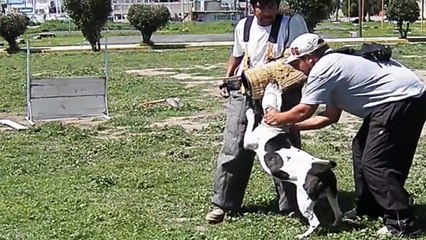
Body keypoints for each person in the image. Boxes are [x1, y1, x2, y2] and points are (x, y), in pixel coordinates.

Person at [263, 33, 426, 237]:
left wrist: (278, 118)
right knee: (361, 149)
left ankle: (402, 222)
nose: (297, 68)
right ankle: (369, 209)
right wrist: (294, 128)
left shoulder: (323, 68)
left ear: (310, 58)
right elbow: (330, 116)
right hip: (401, 100)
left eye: (297, 63)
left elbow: (304, 110)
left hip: (402, 100)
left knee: (376, 163)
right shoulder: (334, 64)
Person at [205, 0, 309, 223]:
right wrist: (227, 77)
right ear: (253, 6)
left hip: (282, 91)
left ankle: (291, 204)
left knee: (285, 146)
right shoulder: (244, 26)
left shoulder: (292, 24)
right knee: (235, 143)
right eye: (261, 5)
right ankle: (223, 204)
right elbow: (237, 54)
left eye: (271, 4)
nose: (266, 10)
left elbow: (298, 58)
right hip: (246, 89)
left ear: (278, 5)